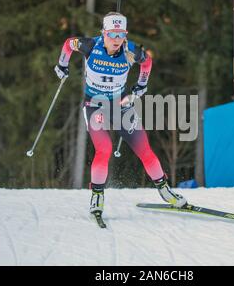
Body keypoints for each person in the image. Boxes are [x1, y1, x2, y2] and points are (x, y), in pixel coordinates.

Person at [54, 12, 187, 217]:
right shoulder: (90, 45)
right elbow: (68, 44)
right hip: (95, 105)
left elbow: (147, 62)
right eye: (112, 34)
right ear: (104, 33)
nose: (116, 40)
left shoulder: (130, 49)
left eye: (121, 34)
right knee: (104, 149)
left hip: (121, 105)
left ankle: (165, 191)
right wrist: (62, 64)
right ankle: (97, 196)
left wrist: (142, 83)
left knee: (144, 149)